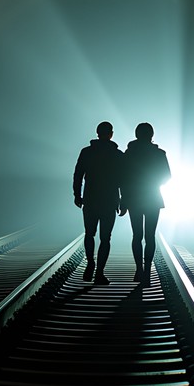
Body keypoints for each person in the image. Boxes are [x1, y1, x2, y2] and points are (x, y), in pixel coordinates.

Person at [73, 121, 126, 285]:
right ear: (111, 134)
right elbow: (124, 181)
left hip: (90, 198)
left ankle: (90, 263)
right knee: (105, 238)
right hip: (110, 200)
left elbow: (78, 175)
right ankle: (100, 273)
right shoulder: (118, 155)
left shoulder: (86, 152)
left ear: (97, 133)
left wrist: (77, 195)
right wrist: (123, 201)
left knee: (89, 234)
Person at [121, 122, 171, 286]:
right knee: (150, 236)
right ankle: (148, 270)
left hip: (134, 198)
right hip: (152, 197)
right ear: (151, 135)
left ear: (136, 135)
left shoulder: (128, 154)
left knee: (137, 235)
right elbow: (167, 176)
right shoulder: (159, 154)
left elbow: (123, 179)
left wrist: (123, 199)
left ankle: (139, 269)